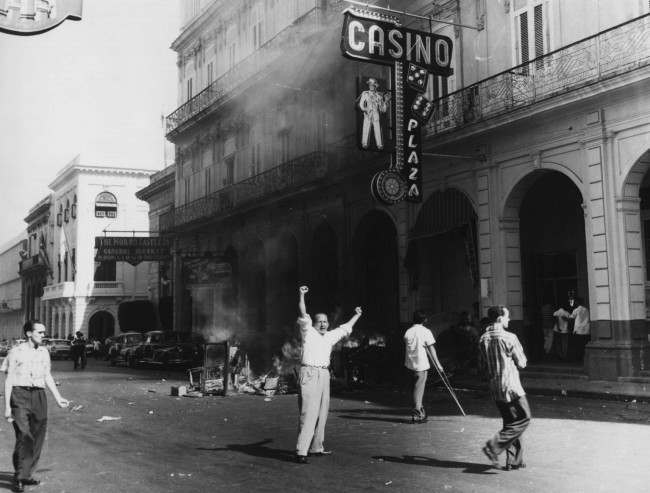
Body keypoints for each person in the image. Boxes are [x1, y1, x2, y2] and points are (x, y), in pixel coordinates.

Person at [295, 285, 362, 464]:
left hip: (324, 375)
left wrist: (357, 315)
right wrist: (302, 295)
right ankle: (302, 450)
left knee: (322, 412)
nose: (323, 324)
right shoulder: (308, 332)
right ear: (313, 323)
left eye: (325, 321)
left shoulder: (330, 336)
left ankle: (316, 447)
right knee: (308, 412)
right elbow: (303, 312)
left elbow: (346, 328)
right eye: (320, 321)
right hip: (309, 372)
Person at [3, 320, 69, 492]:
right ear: (29, 333)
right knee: (24, 435)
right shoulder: (15, 352)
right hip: (19, 395)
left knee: (38, 435)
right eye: (40, 332)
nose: (43, 335)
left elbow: (47, 376)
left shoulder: (44, 353)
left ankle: (27, 474)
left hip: (39, 396)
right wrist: (7, 407)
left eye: (43, 332)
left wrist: (58, 397)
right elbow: (9, 379)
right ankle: (21, 476)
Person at [479, 306, 531, 471]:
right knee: (524, 418)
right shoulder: (510, 337)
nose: (509, 320)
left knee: (511, 422)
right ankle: (493, 446)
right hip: (512, 386)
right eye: (507, 317)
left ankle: (514, 460)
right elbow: (522, 363)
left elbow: (481, 366)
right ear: (500, 318)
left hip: (495, 386)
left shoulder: (483, 338)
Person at [403, 310, 444, 423]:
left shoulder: (408, 331)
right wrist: (438, 365)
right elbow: (431, 349)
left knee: (415, 388)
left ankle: (420, 411)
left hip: (409, 364)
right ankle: (417, 412)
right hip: (421, 365)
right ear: (425, 320)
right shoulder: (426, 331)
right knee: (419, 389)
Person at [358, 78, 390, 150]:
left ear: (375, 86)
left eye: (372, 85)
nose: (371, 86)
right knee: (366, 128)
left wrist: (386, 102)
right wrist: (365, 109)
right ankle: (364, 143)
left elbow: (383, 109)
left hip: (376, 114)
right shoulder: (365, 94)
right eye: (370, 85)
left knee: (377, 129)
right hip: (367, 114)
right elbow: (361, 104)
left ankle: (379, 144)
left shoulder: (379, 96)